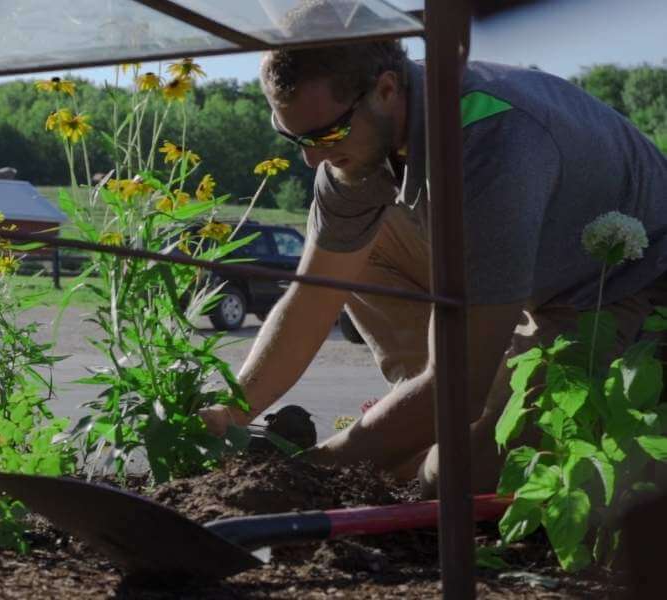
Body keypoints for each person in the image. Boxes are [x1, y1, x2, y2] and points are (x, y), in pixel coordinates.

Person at [200, 36, 667, 495]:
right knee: (359, 240)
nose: (312, 157)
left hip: (619, 285)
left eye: (327, 134)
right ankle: (418, 417)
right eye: (294, 137)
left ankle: (430, 431)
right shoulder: (353, 152)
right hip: (529, 275)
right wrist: (230, 412)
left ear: (386, 90)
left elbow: (457, 386)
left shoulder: (490, 142)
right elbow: (311, 298)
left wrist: (311, 476)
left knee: (453, 480)